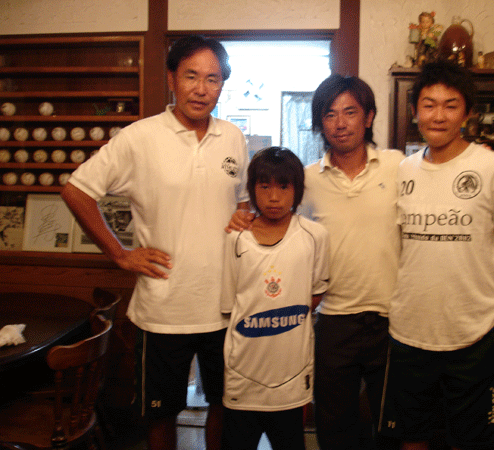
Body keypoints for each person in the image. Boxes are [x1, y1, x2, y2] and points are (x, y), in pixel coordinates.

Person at [61, 35, 249, 450]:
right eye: (191, 76)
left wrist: (243, 215)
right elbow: (76, 190)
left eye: (213, 79)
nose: (201, 89)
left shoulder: (234, 138)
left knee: (225, 405)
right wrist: (119, 253)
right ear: (171, 79)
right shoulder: (139, 138)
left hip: (224, 306)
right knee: (160, 414)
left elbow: (241, 201)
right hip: (163, 309)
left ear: (222, 85)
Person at [227, 74, 403, 450]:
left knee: (392, 427)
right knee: (335, 428)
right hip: (332, 322)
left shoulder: (398, 167)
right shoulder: (305, 181)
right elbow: (277, 223)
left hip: (390, 321)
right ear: (320, 122)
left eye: (350, 112)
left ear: (369, 117)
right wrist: (243, 217)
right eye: (329, 114)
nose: (340, 123)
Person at [379, 60, 494, 450]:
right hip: (410, 330)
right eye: (429, 105)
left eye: (450, 105)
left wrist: (487, 294)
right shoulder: (404, 170)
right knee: (411, 437)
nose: (438, 116)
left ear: (468, 112)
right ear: (415, 111)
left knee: (472, 440)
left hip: (472, 333)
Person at [220, 147, 329, 450]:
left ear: (297, 190)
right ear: (252, 188)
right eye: (264, 186)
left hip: (291, 374)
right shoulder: (236, 237)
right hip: (243, 372)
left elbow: (315, 293)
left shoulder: (315, 236)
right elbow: (230, 305)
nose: (273, 197)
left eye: (283, 186)